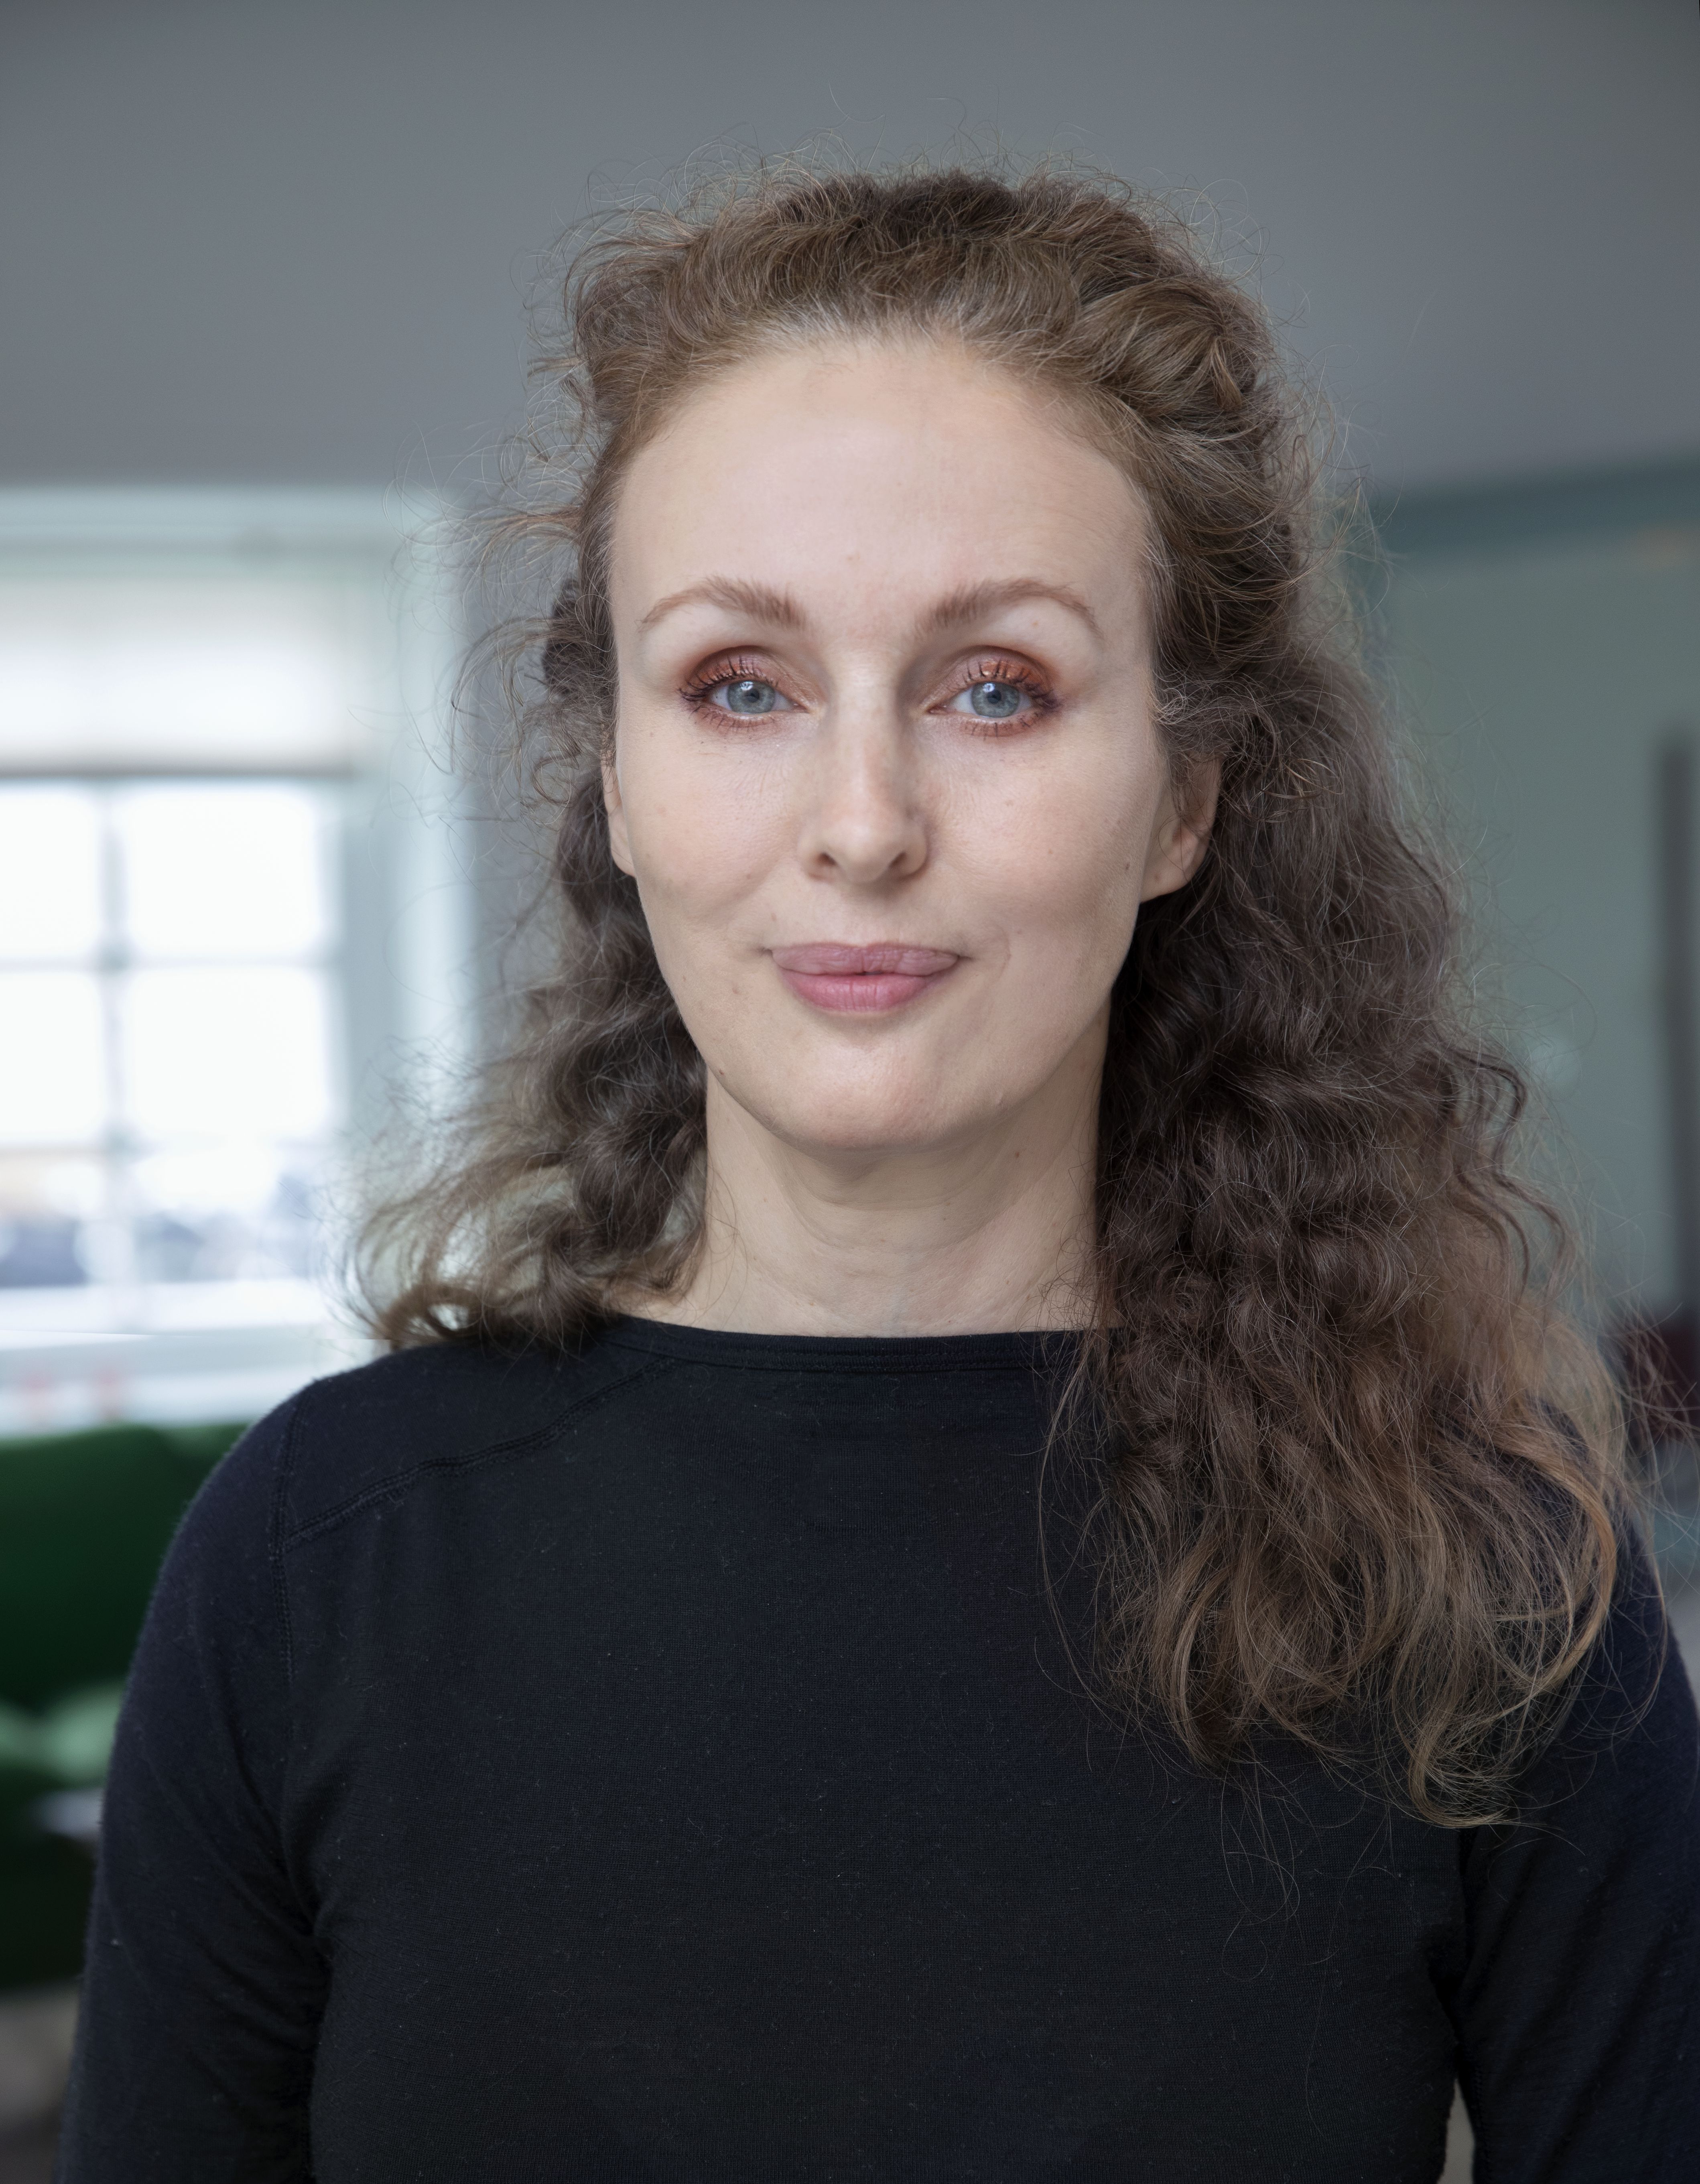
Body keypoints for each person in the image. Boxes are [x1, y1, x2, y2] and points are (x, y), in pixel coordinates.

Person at [58, 164, 1698, 2182]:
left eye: (995, 686)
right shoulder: (312, 1556)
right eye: (739, 686)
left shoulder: (1485, 1581)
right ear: (617, 783)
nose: (861, 821)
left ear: (1183, 796)